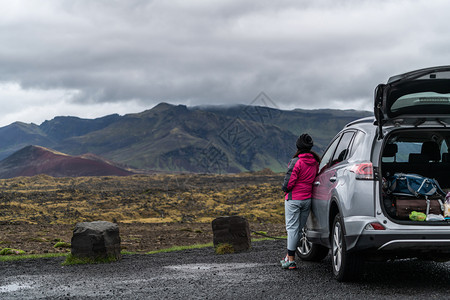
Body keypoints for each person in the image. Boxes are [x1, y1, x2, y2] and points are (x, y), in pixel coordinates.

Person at [280, 133, 320, 269]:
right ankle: (288, 256)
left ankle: (291, 260)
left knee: (291, 229)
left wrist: (285, 189)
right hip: (307, 199)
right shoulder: (315, 162)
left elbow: (289, 182)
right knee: (298, 230)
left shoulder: (296, 161)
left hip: (293, 199)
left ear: (298, 146)